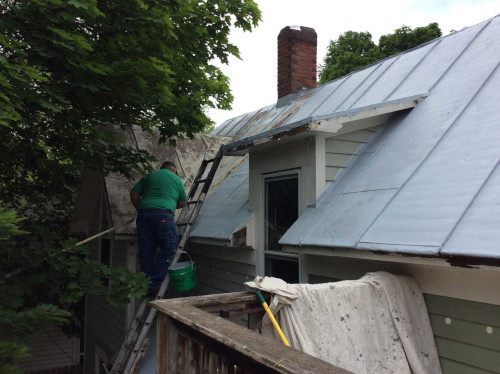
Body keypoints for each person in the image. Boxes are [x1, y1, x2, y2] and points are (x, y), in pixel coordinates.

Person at [130, 161, 187, 295]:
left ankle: (146, 284)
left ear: (162, 168)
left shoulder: (150, 175)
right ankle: (154, 283)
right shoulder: (176, 179)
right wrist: (169, 205)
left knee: (146, 251)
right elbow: (183, 202)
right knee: (169, 249)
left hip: (144, 216)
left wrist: (142, 208)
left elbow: (133, 193)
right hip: (163, 215)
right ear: (174, 170)